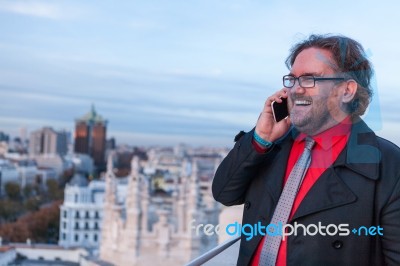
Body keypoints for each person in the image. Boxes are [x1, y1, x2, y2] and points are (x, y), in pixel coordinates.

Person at [212, 34, 400, 266]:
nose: (296, 90)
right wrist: (260, 139)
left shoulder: (389, 164)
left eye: (310, 79)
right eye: (292, 79)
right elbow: (224, 193)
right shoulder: (272, 145)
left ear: (347, 90)